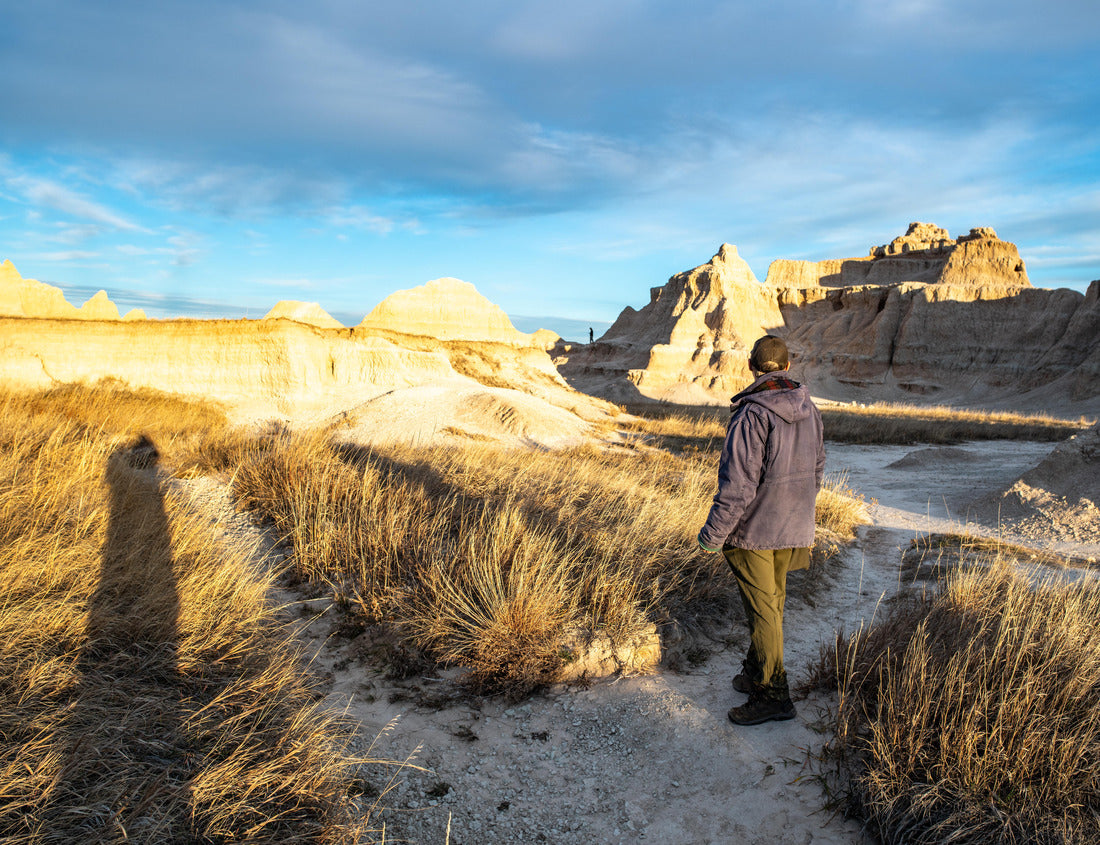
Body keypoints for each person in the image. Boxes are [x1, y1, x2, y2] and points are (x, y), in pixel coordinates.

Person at [697, 335, 825, 726]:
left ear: (752, 367)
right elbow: (818, 471)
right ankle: (756, 670)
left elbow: (737, 486)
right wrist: (798, 510)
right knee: (773, 602)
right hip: (793, 525)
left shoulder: (752, 414)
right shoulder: (810, 408)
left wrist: (712, 536)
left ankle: (773, 695)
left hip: (754, 532)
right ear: (787, 367)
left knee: (763, 609)